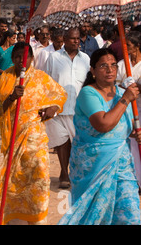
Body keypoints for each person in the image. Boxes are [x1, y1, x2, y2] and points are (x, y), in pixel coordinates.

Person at [58, 48, 141, 225]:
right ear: (93, 71)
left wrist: (136, 133)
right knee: (94, 218)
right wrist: (126, 99)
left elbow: (122, 127)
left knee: (131, 216)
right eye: (103, 66)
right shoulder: (89, 93)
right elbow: (103, 124)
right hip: (94, 167)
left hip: (121, 165)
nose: (110, 70)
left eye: (113, 65)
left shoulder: (120, 92)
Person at [0, 42, 67, 225]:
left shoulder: (41, 77)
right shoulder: (4, 79)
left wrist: (52, 109)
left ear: (31, 58)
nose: (20, 61)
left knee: (39, 178)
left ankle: (37, 220)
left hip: (36, 138)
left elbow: (60, 95)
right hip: (14, 138)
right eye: (16, 57)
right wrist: (11, 97)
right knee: (13, 183)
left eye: (25, 57)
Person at [43, 28, 90, 189]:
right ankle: (64, 172)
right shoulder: (54, 58)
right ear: (64, 39)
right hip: (58, 108)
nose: (76, 41)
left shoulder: (85, 59)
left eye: (78, 39)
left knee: (78, 143)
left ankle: (75, 172)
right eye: (72, 39)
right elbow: (46, 81)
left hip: (79, 108)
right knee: (62, 142)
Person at [115, 30, 141, 188]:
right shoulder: (121, 64)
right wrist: (124, 86)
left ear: (137, 46)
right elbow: (114, 86)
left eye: (129, 46)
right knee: (130, 144)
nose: (126, 49)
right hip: (126, 109)